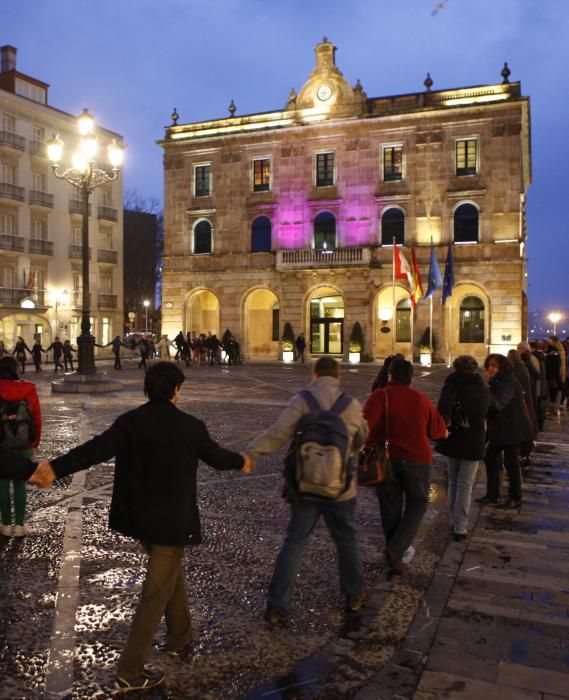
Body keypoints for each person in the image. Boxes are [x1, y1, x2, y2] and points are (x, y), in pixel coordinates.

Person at [29, 361, 253, 693]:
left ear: (147, 389)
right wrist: (243, 461)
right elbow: (217, 458)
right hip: (171, 522)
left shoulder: (131, 422)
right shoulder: (190, 426)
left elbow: (94, 450)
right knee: (155, 594)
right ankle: (130, 673)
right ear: (176, 390)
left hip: (139, 519)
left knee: (169, 574)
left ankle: (181, 636)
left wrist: (55, 468)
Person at [244, 356, 368, 625]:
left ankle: (276, 605)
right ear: (338, 377)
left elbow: (278, 433)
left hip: (306, 485)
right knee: (346, 539)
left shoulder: (302, 401)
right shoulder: (352, 404)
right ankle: (354, 595)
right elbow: (361, 438)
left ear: (314, 375)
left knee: (295, 542)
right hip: (341, 489)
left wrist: (252, 453)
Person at [364, 358, 447, 573]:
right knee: (418, 503)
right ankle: (396, 550)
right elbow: (437, 431)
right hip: (417, 459)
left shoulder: (380, 396)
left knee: (390, 505)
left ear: (390, 375)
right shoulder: (420, 398)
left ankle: (394, 550)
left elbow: (364, 427)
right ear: (411, 377)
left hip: (386, 459)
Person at [435, 355, 490, 541]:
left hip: (453, 437)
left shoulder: (451, 385)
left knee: (453, 481)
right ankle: (460, 527)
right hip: (474, 438)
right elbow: (492, 410)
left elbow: (442, 410)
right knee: (465, 484)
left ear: (456, 368)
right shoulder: (482, 388)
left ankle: (453, 520)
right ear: (474, 368)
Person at [477, 353, 534, 510]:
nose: (491, 368)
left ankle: (515, 497)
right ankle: (492, 494)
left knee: (511, 463)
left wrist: (486, 385)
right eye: (489, 365)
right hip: (500, 429)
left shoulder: (508, 381)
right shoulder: (498, 380)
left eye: (494, 366)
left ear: (502, 367)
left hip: (512, 428)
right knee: (489, 457)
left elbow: (498, 404)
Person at [0, 356, 42, 537]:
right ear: (16, 369)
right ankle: (19, 525)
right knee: (20, 484)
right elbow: (37, 418)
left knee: (1, 484)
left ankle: (5, 525)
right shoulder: (28, 388)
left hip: (1, 444)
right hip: (24, 443)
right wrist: (34, 442)